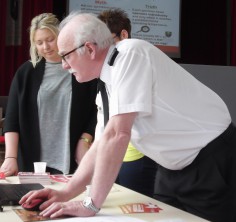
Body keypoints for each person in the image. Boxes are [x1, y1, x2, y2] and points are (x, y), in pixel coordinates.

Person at [20, 12, 236, 222]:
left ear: (89, 49)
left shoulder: (130, 53)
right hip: (172, 169)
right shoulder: (106, 84)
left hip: (211, 161)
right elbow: (101, 144)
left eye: (66, 56)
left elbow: (118, 134)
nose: (63, 66)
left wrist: (91, 204)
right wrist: (66, 192)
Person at [0, 13, 97, 176]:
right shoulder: (26, 73)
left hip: (72, 159)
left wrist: (84, 139)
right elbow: (12, 119)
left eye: (50, 39)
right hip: (33, 161)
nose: (46, 47)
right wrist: (10, 156)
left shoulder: (81, 69)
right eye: (39, 42)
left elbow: (96, 110)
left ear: (61, 36)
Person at [97, 8, 157, 198]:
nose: (101, 50)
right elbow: (103, 118)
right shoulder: (105, 72)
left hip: (136, 155)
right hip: (111, 154)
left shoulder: (136, 61)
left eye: (106, 42)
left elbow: (123, 127)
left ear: (124, 34)